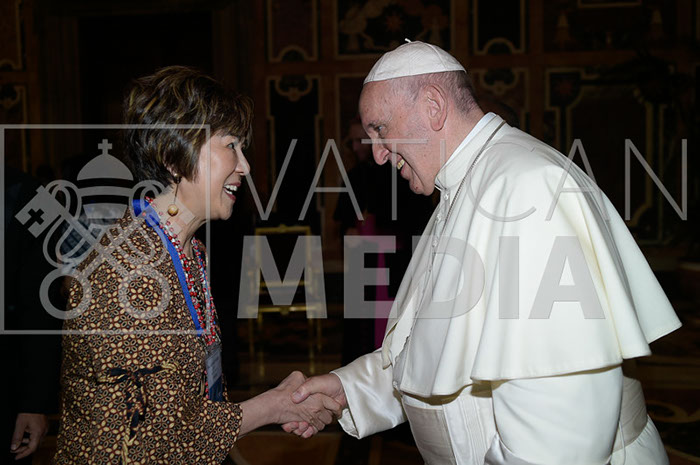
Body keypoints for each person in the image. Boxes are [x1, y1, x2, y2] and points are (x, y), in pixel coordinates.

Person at [285, 41, 682, 464]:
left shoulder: (529, 189)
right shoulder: (465, 186)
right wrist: (349, 389)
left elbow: (558, 434)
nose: (378, 154)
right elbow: (436, 356)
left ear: (434, 107)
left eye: (380, 129)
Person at [54, 66, 340, 464]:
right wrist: (274, 406)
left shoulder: (189, 250)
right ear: (174, 155)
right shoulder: (130, 273)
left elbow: (192, 394)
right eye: (231, 146)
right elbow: (153, 440)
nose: (245, 166)